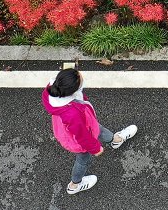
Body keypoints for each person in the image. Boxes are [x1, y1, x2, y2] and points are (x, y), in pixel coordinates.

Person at [42, 67, 138, 195]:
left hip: (79, 125)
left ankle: (116, 140)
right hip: (77, 138)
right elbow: (82, 136)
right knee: (83, 159)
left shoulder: (54, 88)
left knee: (99, 129)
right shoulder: (72, 114)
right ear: (73, 90)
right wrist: (95, 148)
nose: (81, 74)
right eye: (79, 77)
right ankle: (75, 185)